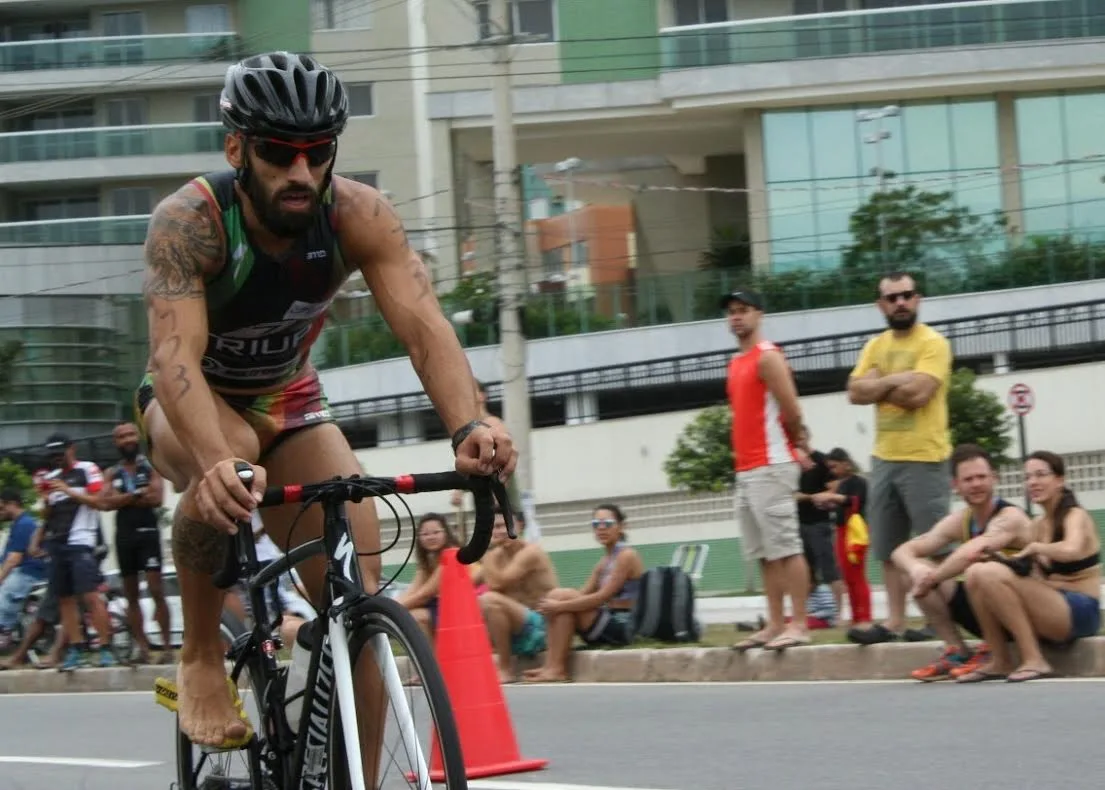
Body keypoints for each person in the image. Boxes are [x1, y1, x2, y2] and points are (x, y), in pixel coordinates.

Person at [134, 50, 516, 763]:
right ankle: (199, 659)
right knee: (231, 468)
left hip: (291, 400)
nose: (301, 173)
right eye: (280, 154)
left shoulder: (358, 214)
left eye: (318, 154)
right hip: (193, 400)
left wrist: (471, 423)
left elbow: (424, 324)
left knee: (358, 592)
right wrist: (215, 462)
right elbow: (174, 358)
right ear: (237, 148)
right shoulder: (190, 223)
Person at [846, 272, 952, 645]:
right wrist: (896, 380)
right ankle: (893, 622)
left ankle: (938, 620)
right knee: (888, 547)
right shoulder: (875, 346)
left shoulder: (933, 344)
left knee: (933, 544)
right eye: (892, 298)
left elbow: (921, 394)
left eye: (906, 295)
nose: (900, 303)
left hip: (925, 456)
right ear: (881, 305)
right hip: (884, 459)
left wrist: (880, 384)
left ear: (917, 299)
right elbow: (855, 392)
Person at [889, 444, 1034, 682]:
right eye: (968, 479)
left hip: (1022, 610)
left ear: (994, 478)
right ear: (955, 485)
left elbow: (972, 551)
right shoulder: (961, 520)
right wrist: (917, 570)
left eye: (981, 477)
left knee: (979, 569)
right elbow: (902, 551)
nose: (976, 484)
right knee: (910, 571)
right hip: (984, 608)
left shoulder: (1010, 517)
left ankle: (994, 648)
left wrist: (932, 579)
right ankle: (956, 651)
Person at [720, 290, 814, 653]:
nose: (736, 318)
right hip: (745, 467)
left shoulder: (768, 357)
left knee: (787, 547)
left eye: (743, 311)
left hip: (772, 463)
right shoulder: (736, 361)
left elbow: (791, 409)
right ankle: (775, 623)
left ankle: (800, 623)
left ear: (759, 314)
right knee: (763, 551)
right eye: (731, 313)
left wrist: (798, 444)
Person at [962, 451, 1101, 682]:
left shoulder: (1075, 515)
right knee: (976, 573)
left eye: (1041, 475)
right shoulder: (1037, 524)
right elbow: (1031, 574)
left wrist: (1037, 548)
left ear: (1060, 480)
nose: (1033, 482)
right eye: (1027, 477)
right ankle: (1000, 660)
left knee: (988, 573)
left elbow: (1072, 549)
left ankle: (1034, 659)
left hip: (1081, 611)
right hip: (1051, 606)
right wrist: (997, 558)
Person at [522, 504, 644, 683]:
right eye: (596, 524)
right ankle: (552, 667)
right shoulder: (604, 561)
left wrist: (559, 604)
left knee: (561, 600)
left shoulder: (627, 556)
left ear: (622, 527)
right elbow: (583, 593)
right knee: (558, 595)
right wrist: (552, 603)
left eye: (607, 523)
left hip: (623, 625)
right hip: (605, 623)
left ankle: (556, 668)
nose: (601, 528)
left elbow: (602, 597)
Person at [39, 434, 117, 671]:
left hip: (81, 541)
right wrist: (46, 504)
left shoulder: (87, 469)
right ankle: (76, 648)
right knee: (64, 599)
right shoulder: (50, 478)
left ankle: (105, 648)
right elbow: (45, 516)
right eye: (53, 455)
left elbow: (98, 501)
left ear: (71, 450)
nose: (57, 458)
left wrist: (68, 490)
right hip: (56, 542)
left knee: (90, 595)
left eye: (60, 453)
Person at [100, 422, 172, 664]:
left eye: (130, 434)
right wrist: (134, 495)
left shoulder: (149, 466)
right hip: (124, 537)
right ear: (116, 442)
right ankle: (141, 649)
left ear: (137, 437)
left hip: (148, 533)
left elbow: (156, 498)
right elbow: (105, 502)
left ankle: (166, 647)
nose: (127, 439)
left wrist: (123, 499)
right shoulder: (112, 472)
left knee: (156, 590)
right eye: (121, 437)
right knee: (131, 595)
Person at [478, 507, 558, 683]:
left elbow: (498, 584)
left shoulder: (530, 553)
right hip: (516, 632)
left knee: (489, 600)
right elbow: (466, 582)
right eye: (494, 527)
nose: (498, 531)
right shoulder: (496, 556)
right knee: (477, 603)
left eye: (504, 525)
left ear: (519, 526)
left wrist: (486, 556)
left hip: (541, 629)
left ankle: (505, 669)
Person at [793, 426, 842, 626]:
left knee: (830, 570)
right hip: (799, 523)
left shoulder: (822, 460)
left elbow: (834, 487)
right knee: (805, 572)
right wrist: (812, 497)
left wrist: (823, 497)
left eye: (801, 436)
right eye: (794, 437)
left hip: (820, 523)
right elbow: (790, 494)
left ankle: (839, 614)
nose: (798, 440)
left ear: (808, 436)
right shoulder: (792, 465)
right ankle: (803, 614)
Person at [819, 448, 871, 628]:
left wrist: (833, 497)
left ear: (845, 463)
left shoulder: (858, 481)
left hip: (855, 531)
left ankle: (864, 616)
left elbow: (854, 500)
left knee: (856, 574)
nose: (833, 471)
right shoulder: (842, 483)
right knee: (847, 575)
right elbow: (841, 503)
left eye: (834, 467)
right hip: (842, 529)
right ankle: (857, 616)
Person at [0, 489, 49, 650]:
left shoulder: (25, 523)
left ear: (13, 505)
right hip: (21, 571)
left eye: (1, 508)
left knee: (7, 589)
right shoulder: (17, 524)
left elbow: (14, 559)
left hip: (29, 572)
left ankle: (4, 630)